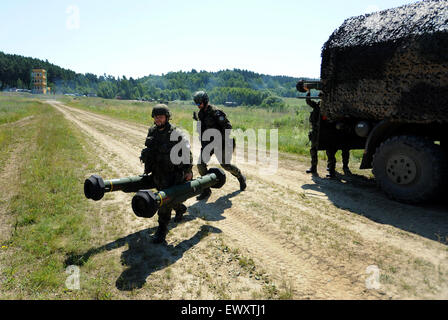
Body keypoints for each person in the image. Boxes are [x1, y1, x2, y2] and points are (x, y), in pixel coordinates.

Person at [140, 104, 193, 244]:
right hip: (158, 173)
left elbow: (187, 153)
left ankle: (161, 231)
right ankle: (180, 208)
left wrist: (188, 171)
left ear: (167, 117)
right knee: (170, 199)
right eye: (156, 117)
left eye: (161, 117)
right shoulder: (152, 131)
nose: (158, 119)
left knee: (164, 202)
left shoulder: (176, 133)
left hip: (173, 174)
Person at [193, 91, 246, 200]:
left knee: (226, 165)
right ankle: (206, 189)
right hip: (209, 144)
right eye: (197, 104)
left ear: (205, 101)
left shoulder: (216, 112)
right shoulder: (201, 114)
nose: (198, 106)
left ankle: (240, 177)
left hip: (221, 143)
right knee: (200, 165)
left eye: (200, 103)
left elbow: (228, 127)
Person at [305, 92, 351, 178]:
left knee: (330, 152)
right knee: (313, 150)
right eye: (321, 98)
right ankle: (313, 167)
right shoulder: (317, 107)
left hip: (329, 133)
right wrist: (308, 92)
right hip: (317, 133)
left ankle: (332, 171)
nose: (322, 100)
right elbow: (309, 101)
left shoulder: (333, 108)